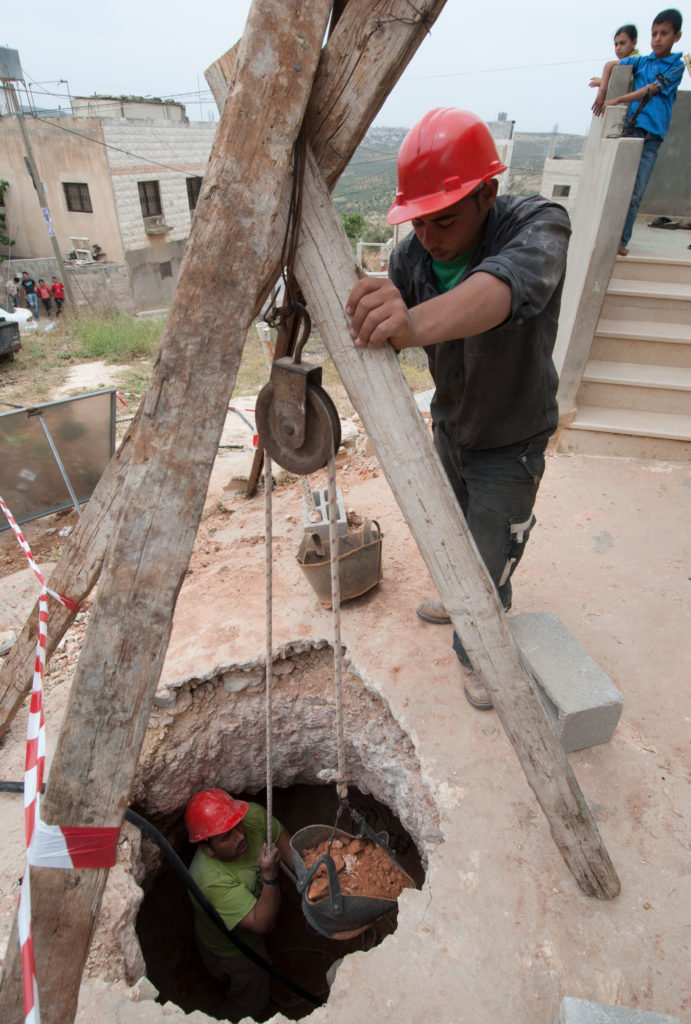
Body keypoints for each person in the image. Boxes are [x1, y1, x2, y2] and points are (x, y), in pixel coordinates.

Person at [346, 108, 570, 711]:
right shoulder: (411, 259)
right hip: (451, 425)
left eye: (442, 220)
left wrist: (408, 324)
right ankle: (461, 597)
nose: (427, 237)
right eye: (416, 222)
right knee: (453, 539)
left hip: (512, 437)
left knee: (489, 561)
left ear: (487, 193)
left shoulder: (538, 226)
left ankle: (479, 655)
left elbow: (496, 292)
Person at [185, 788, 293, 1022]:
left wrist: (309, 879)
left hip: (253, 914)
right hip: (232, 951)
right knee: (251, 998)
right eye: (226, 836)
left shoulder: (251, 817)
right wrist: (270, 875)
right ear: (207, 848)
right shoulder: (208, 881)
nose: (240, 836)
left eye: (237, 825)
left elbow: (281, 838)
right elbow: (262, 923)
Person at [591, 8, 684, 256]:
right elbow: (612, 64)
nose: (657, 38)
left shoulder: (676, 65)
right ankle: (608, 235)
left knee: (635, 190)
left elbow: (651, 90)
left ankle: (622, 239)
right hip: (631, 129)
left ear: (677, 36)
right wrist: (602, 91)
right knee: (616, 185)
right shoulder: (642, 61)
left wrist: (617, 98)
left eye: (664, 33)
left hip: (651, 135)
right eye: (654, 33)